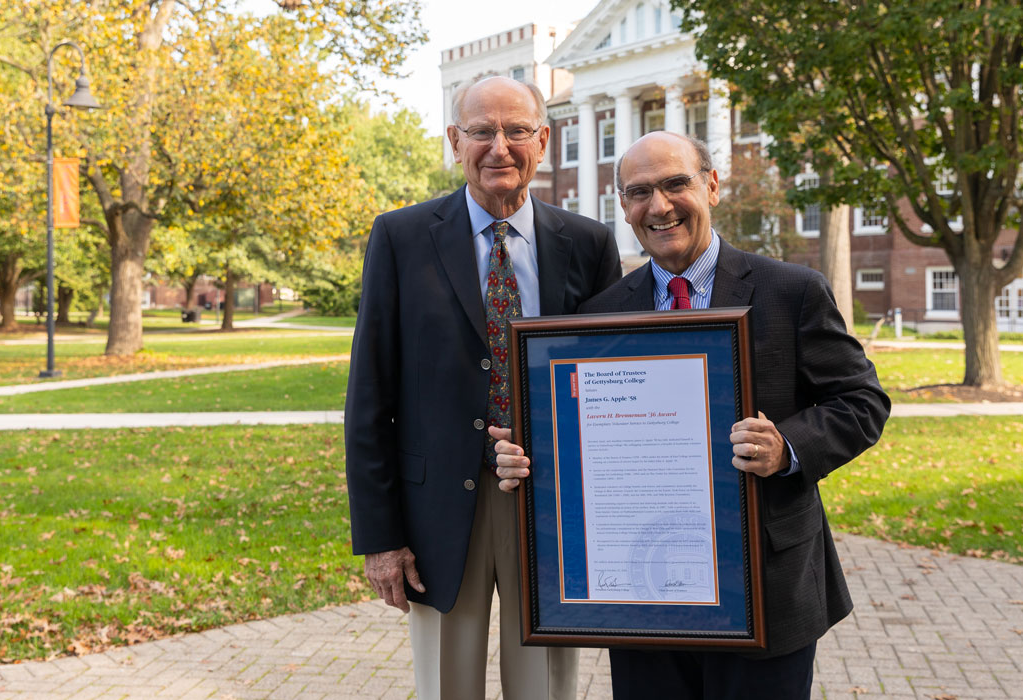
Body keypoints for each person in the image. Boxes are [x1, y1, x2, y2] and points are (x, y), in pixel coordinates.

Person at [491, 131, 890, 700]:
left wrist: (787, 447)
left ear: (712, 185)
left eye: (676, 183)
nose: (659, 206)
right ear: (623, 207)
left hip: (763, 586)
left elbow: (863, 403)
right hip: (638, 596)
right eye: (639, 192)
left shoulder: (790, 291)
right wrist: (526, 454)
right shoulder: (600, 314)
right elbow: (573, 429)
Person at [345, 76, 622, 700]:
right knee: (448, 681)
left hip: (551, 504)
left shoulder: (588, 243)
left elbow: (608, 380)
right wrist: (380, 537)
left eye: (517, 130)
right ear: (454, 141)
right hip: (436, 506)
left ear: (543, 142)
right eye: (481, 131)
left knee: (547, 682)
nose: (500, 146)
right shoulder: (400, 238)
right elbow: (370, 397)